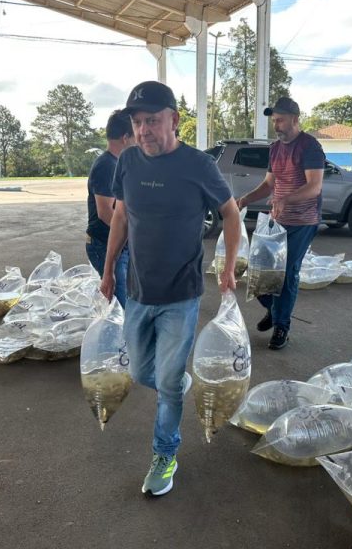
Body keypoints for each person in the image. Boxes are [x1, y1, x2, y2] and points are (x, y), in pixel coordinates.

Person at [99, 80, 241, 497]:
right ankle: (174, 383)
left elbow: (231, 216)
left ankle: (165, 453)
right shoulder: (127, 162)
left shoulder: (199, 165)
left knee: (166, 381)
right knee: (143, 371)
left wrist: (227, 266)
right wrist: (108, 270)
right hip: (138, 289)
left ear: (174, 120)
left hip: (182, 292)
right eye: (137, 123)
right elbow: (121, 217)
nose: (144, 130)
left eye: (153, 121)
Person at [236, 96, 325, 351]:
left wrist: (287, 198)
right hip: (278, 220)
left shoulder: (310, 147)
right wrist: (244, 199)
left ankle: (282, 325)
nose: (276, 126)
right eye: (274, 121)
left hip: (303, 221)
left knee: (286, 274)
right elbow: (268, 184)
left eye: (281, 120)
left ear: (295, 119)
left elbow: (314, 186)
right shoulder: (275, 149)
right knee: (258, 270)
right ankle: (274, 310)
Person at [86, 109, 135, 307]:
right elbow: (106, 212)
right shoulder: (107, 165)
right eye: (136, 134)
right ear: (125, 138)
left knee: (126, 300)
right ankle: (116, 338)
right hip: (103, 245)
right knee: (120, 305)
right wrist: (135, 233)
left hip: (120, 245)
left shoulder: (117, 163)